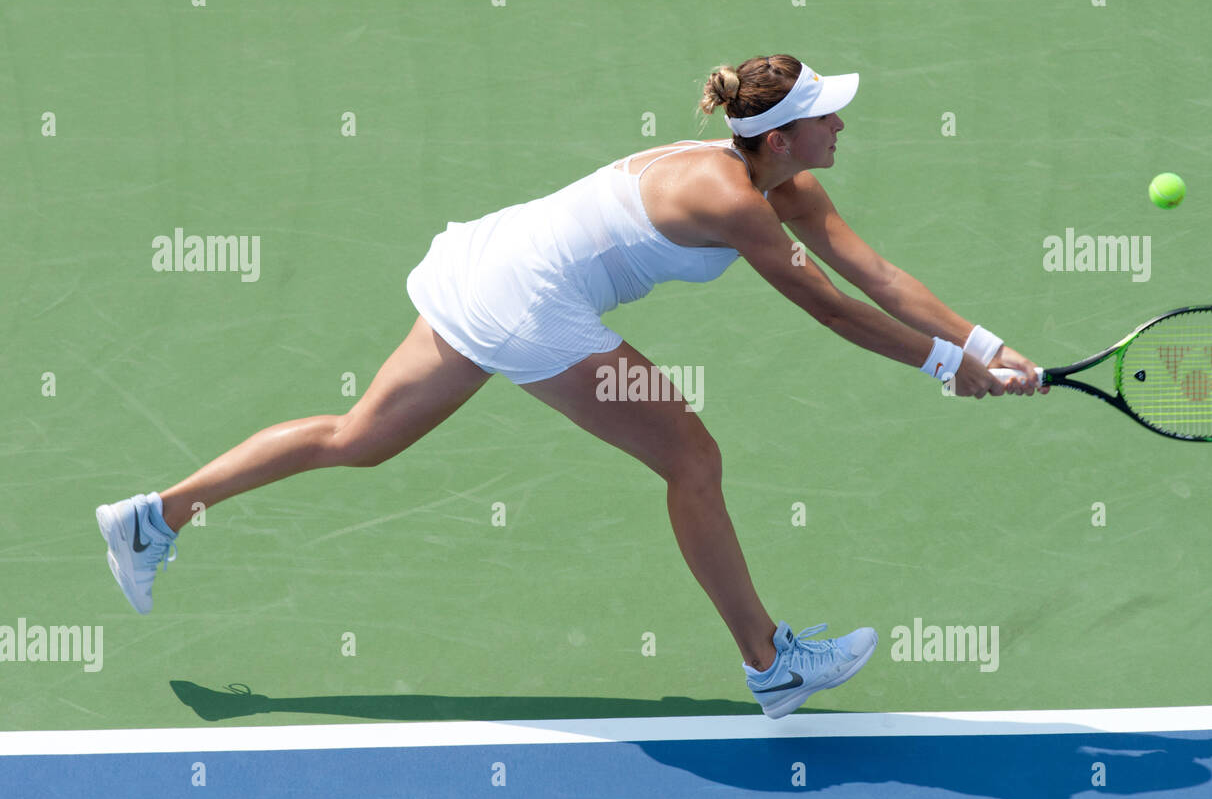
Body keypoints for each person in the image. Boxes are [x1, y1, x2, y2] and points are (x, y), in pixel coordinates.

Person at [95, 54, 1045, 720]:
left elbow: (875, 275)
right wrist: (944, 371)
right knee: (693, 458)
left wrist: (992, 350)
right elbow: (834, 311)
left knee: (361, 437)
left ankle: (155, 516)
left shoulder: (781, 181)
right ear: (783, 137)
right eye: (827, 115)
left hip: (494, 262)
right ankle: (771, 664)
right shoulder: (730, 201)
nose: (842, 123)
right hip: (528, 303)